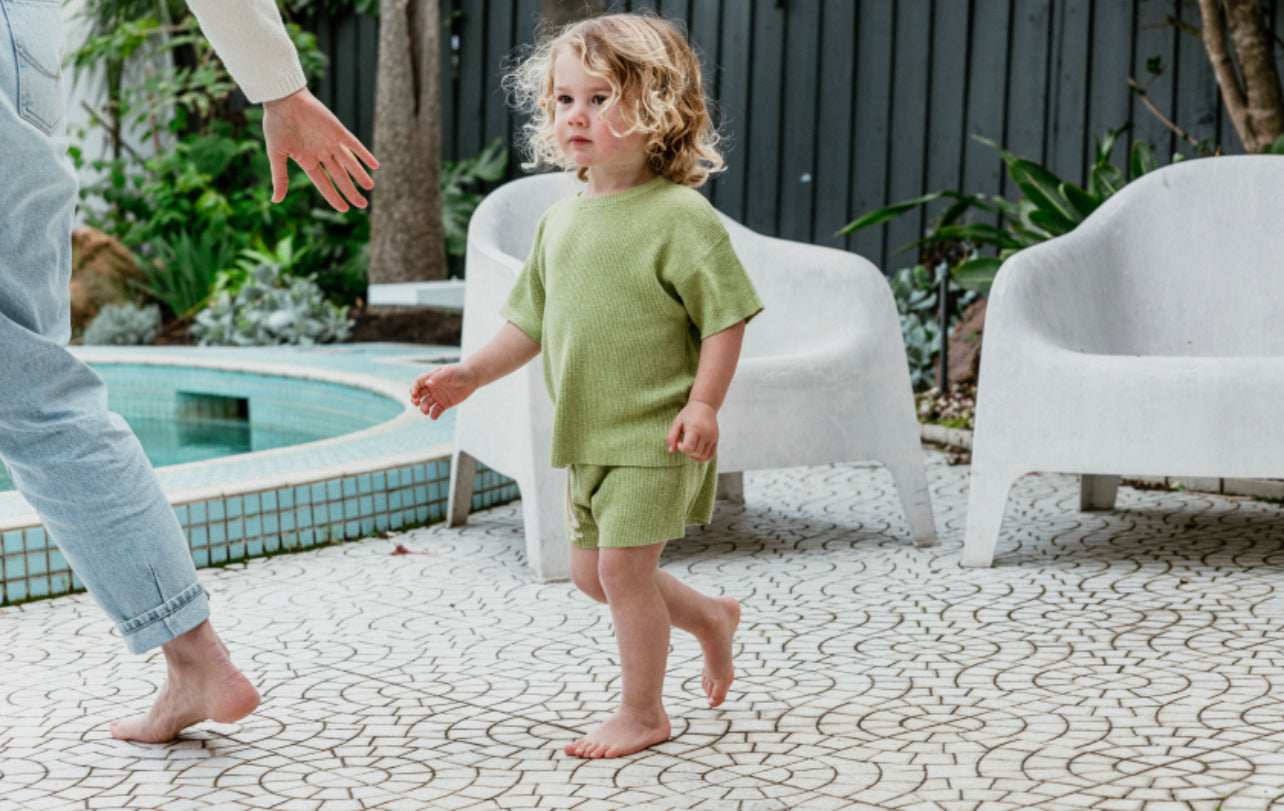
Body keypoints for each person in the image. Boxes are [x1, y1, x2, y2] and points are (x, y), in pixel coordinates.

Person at [0, 0, 377, 743]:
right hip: (20, 68)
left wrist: (280, 86)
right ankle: (193, 655)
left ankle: (194, 656)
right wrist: (277, 84)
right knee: (36, 397)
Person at [410, 13, 763, 759]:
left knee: (622, 570)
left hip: (655, 431)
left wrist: (704, 404)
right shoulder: (559, 223)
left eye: (601, 98)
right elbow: (529, 323)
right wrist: (469, 373)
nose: (577, 115)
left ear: (660, 109)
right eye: (565, 99)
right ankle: (708, 616)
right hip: (589, 434)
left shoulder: (679, 217)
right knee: (591, 574)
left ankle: (643, 711)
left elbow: (727, 318)